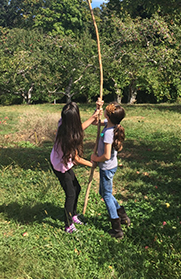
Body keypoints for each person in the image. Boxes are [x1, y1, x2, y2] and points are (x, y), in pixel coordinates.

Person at [50, 101, 102, 233]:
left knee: (77, 188)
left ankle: (73, 215)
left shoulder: (63, 123)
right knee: (71, 194)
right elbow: (76, 159)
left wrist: (95, 114)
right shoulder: (67, 137)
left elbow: (79, 128)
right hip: (60, 166)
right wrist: (92, 164)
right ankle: (68, 225)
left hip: (63, 162)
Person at [91, 102, 131, 239]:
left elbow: (107, 156)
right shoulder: (111, 125)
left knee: (106, 195)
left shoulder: (109, 132)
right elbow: (95, 123)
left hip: (107, 167)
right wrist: (97, 109)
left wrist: (96, 158)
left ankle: (117, 228)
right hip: (109, 167)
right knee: (103, 192)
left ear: (107, 116)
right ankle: (122, 214)